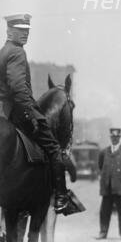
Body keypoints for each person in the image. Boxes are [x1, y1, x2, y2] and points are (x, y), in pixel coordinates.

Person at [0, 14, 71, 213]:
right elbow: (19, 89)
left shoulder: (3, 51)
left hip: (3, 110)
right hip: (18, 111)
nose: (25, 34)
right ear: (9, 31)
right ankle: (61, 197)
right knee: (54, 148)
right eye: (20, 30)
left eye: (27, 30)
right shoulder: (17, 53)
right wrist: (32, 116)